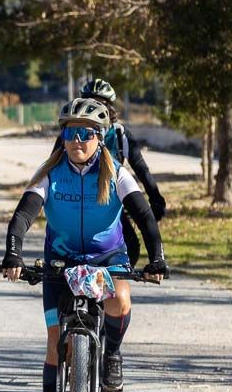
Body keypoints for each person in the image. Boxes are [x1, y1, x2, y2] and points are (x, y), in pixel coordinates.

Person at [1, 97, 167, 392]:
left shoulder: (116, 171)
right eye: (71, 133)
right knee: (53, 343)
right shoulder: (50, 173)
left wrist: (157, 258)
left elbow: (144, 216)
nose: (78, 140)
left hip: (107, 258)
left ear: (100, 137)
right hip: (60, 261)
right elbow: (23, 216)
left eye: (87, 134)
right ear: (62, 137)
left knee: (120, 303)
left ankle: (110, 353)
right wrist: (13, 253)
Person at [53, 79, 167, 268]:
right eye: (89, 101)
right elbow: (53, 166)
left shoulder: (120, 134)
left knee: (130, 245)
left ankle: (113, 282)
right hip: (78, 196)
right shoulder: (71, 134)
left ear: (110, 107)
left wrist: (156, 198)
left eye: (102, 103)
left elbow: (141, 168)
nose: (95, 106)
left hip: (110, 195)